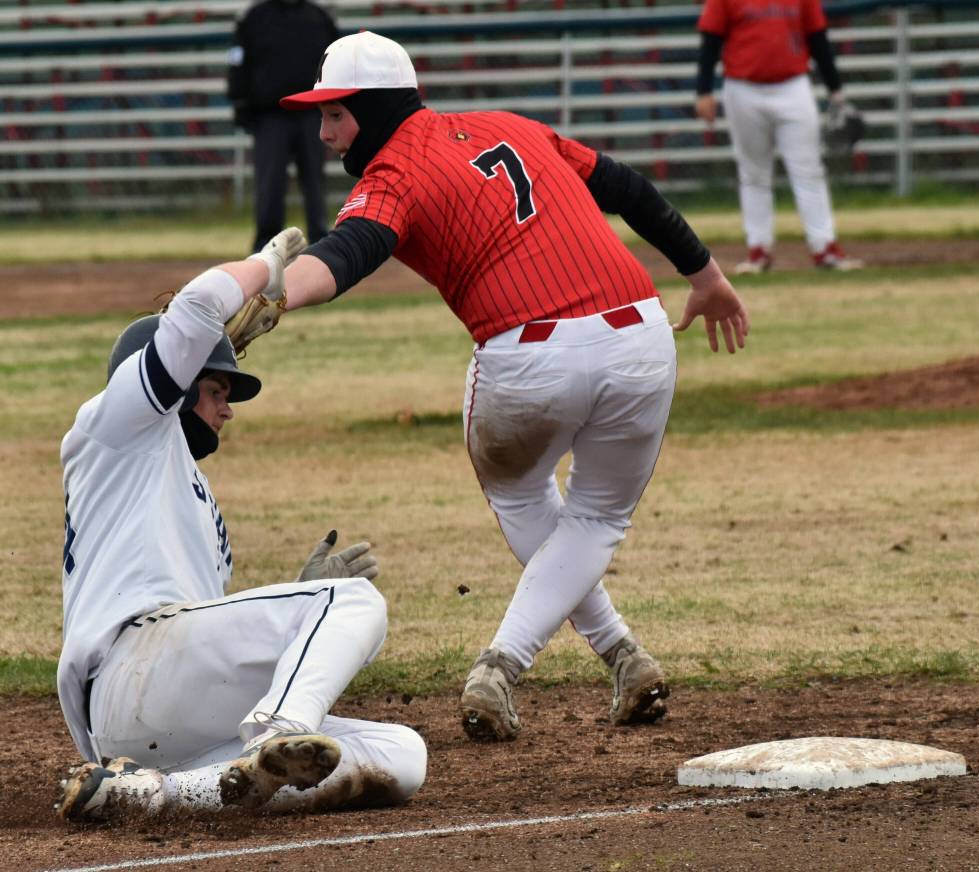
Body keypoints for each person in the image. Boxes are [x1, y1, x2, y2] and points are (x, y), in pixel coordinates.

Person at [273, 31, 749, 742]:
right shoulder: (512, 127)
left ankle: (504, 662)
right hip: (641, 337)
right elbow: (628, 189)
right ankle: (622, 656)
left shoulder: (394, 170)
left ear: (372, 110)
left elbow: (345, 255)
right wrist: (704, 274)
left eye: (335, 114)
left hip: (529, 355)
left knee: (522, 492)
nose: (325, 133)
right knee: (594, 522)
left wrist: (272, 296)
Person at [55, 228, 427, 822]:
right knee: (352, 599)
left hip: (161, 718)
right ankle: (277, 730)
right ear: (168, 385)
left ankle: (161, 796)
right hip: (129, 670)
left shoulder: (178, 487)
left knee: (402, 755)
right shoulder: (118, 425)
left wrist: (293, 597)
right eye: (215, 389)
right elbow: (199, 306)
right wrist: (265, 265)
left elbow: (205, 640)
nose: (226, 407)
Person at [694, 0, 864, 273]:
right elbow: (711, 41)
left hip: (793, 85)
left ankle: (824, 247)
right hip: (742, 87)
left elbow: (817, 38)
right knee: (753, 172)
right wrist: (703, 90)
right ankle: (758, 249)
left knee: (808, 169)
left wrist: (836, 90)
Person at [227, 0, 340, 252]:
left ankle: (321, 244)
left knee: (314, 180)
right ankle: (266, 247)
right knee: (270, 183)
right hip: (270, 115)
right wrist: (239, 99)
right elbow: (238, 58)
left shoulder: (318, 17)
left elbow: (335, 61)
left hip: (312, 113)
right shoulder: (255, 17)